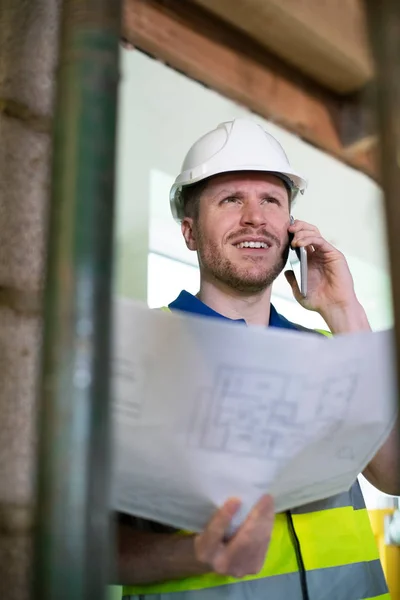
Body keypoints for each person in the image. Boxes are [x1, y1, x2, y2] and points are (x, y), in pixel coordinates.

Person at [117, 118, 399, 600]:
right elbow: (77, 538)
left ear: (290, 229)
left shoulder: (329, 351)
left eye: (271, 200)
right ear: (189, 232)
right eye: (231, 200)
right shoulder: (139, 352)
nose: (255, 217)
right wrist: (196, 555)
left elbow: (393, 475)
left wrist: (344, 310)